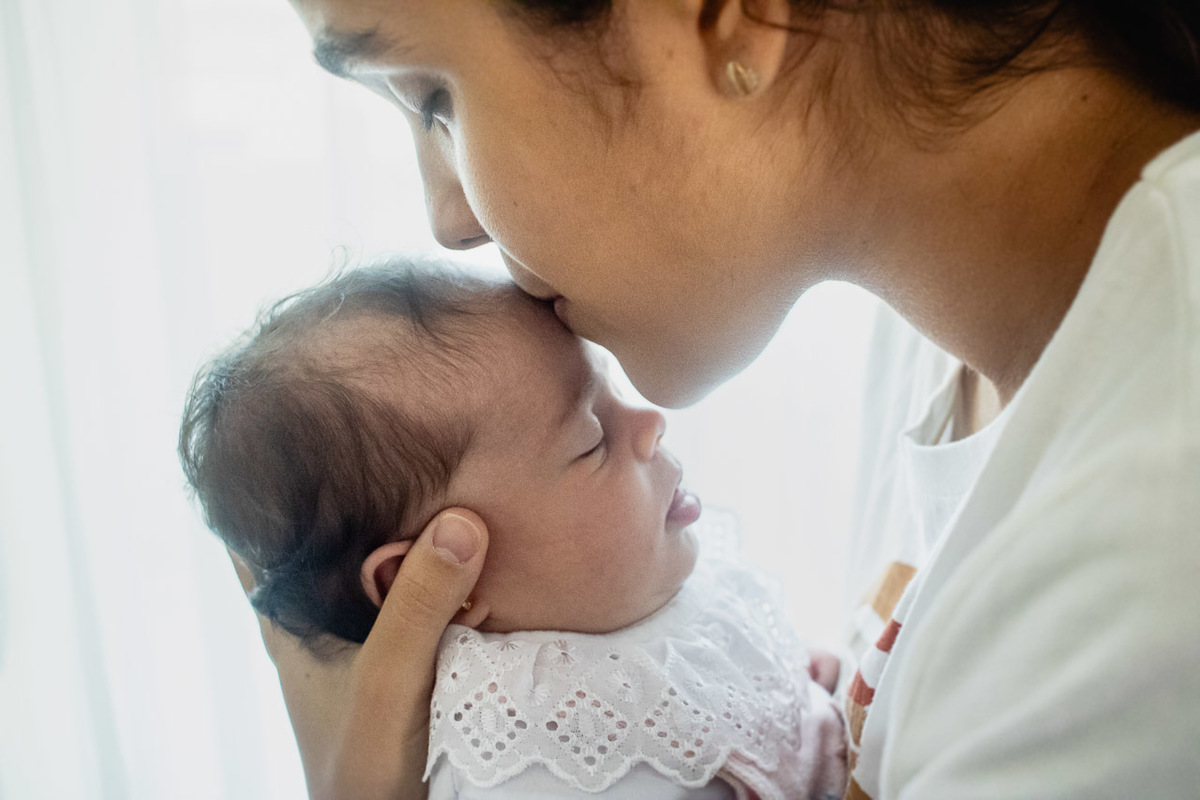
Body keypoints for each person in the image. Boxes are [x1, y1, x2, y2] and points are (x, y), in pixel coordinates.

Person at [233, 1, 1200, 798]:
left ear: (731, 20)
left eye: (435, 94)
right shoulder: (944, 337)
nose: (448, 222)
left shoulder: (1149, 531)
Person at [180, 263, 848, 799]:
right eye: (590, 441)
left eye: (610, 388)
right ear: (440, 581)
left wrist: (795, 697)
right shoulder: (535, 748)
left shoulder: (609, 595)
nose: (648, 423)